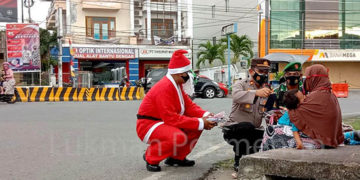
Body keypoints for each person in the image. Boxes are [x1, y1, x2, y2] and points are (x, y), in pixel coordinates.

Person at [136, 49, 216, 172]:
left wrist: (206, 116)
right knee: (178, 137)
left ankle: (177, 157)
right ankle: (150, 157)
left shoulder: (176, 85)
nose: (189, 76)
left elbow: (189, 106)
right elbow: (171, 118)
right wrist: (201, 122)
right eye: (187, 73)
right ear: (179, 73)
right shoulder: (164, 87)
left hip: (162, 122)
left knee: (197, 127)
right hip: (148, 125)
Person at [222, 58, 272, 172]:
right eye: (261, 71)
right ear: (251, 71)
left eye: (266, 72)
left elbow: (268, 112)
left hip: (254, 129)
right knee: (246, 127)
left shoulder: (267, 89)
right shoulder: (240, 84)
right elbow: (236, 96)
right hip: (234, 129)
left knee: (268, 137)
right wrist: (255, 93)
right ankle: (238, 160)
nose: (264, 74)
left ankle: (251, 158)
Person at [289, 64, 344, 148]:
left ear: (313, 79)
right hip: (331, 138)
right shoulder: (331, 94)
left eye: (308, 78)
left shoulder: (316, 96)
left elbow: (296, 113)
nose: (306, 81)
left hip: (323, 140)